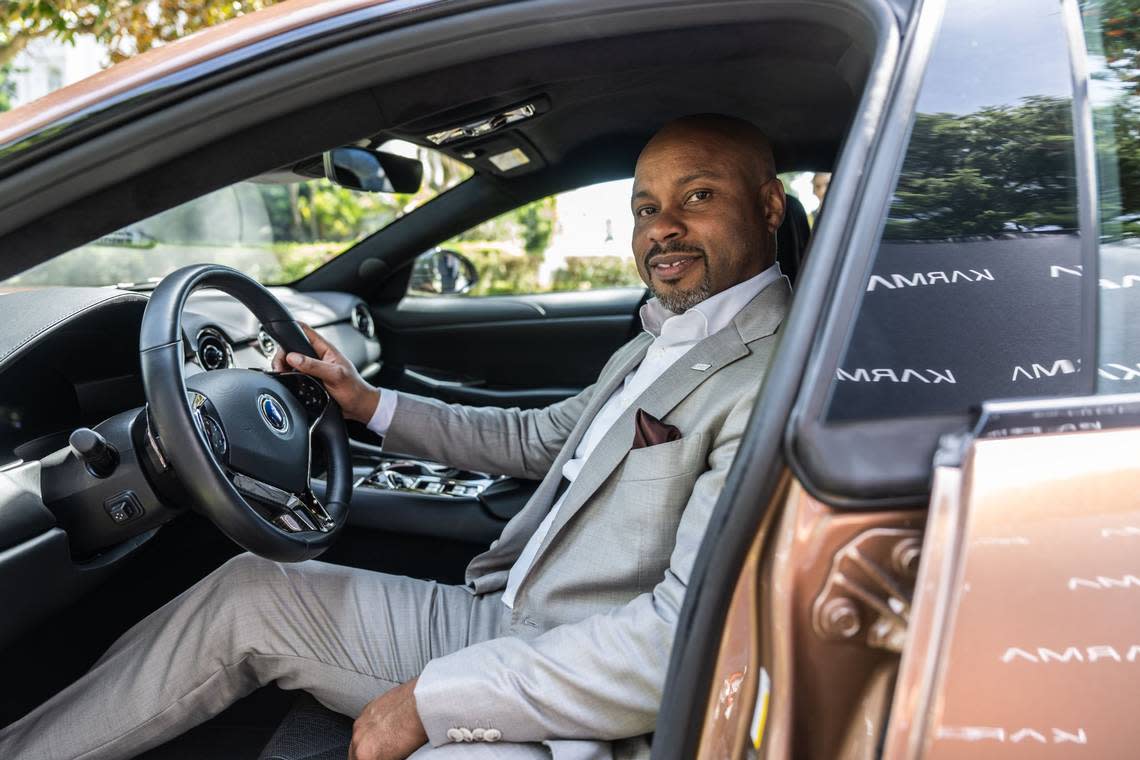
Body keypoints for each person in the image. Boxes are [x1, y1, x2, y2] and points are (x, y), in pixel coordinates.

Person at [0, 113, 789, 760]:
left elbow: (676, 642)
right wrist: (366, 402)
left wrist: (434, 701)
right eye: (647, 208)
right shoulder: (660, 335)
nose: (664, 228)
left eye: (698, 196)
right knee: (250, 591)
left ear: (769, 207)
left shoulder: (773, 374)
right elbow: (541, 440)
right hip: (502, 614)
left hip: (593, 696)